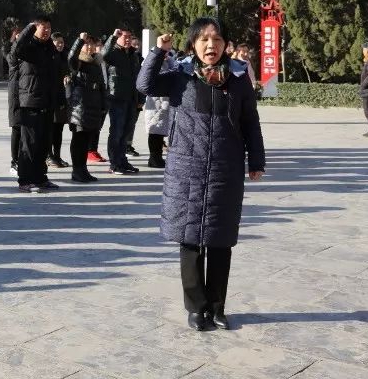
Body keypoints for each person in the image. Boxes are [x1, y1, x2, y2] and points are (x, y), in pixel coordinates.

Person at [137, 17, 265, 332]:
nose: (211, 45)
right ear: (193, 44)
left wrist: (256, 160)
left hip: (225, 168)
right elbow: (144, 85)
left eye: (217, 39)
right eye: (204, 39)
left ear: (226, 45)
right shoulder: (180, 76)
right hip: (187, 170)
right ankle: (196, 308)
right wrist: (157, 52)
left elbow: (250, 121)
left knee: (221, 242)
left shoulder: (237, 79)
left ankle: (218, 308)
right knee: (191, 240)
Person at [10, 16, 60, 193]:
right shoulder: (27, 46)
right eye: (42, 27)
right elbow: (15, 50)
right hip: (30, 101)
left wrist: (58, 99)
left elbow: (55, 74)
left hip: (47, 102)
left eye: (48, 27)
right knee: (29, 144)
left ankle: (40, 177)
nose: (46, 30)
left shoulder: (49, 48)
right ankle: (25, 180)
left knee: (43, 144)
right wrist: (29, 28)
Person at [66, 33, 107, 183]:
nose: (89, 47)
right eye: (86, 44)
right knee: (79, 140)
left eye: (91, 44)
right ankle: (77, 170)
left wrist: (103, 106)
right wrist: (79, 41)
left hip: (93, 107)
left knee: (86, 141)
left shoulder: (96, 63)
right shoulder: (78, 63)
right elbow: (70, 58)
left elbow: (102, 87)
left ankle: (83, 169)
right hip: (80, 108)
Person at [102, 28, 141, 175]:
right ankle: (114, 163)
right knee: (116, 132)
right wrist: (112, 37)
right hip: (117, 98)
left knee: (126, 132)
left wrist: (140, 98)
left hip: (131, 98)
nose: (127, 39)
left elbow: (138, 77)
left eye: (129, 37)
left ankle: (122, 160)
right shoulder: (113, 53)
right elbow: (103, 55)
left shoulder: (133, 55)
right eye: (124, 36)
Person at [144, 45, 175, 169]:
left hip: (165, 101)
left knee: (160, 130)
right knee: (155, 130)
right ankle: (154, 157)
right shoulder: (152, 62)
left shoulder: (169, 61)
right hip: (155, 101)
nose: (166, 54)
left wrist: (170, 60)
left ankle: (158, 157)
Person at [49, 33, 71, 168]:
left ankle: (57, 155)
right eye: (57, 42)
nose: (60, 44)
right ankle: (49, 156)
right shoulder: (48, 57)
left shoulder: (65, 57)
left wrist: (68, 75)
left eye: (62, 42)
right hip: (51, 98)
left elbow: (69, 71)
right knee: (50, 130)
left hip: (62, 98)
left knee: (59, 129)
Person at [4, 27, 22, 171]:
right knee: (17, 128)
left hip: (28, 94)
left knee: (26, 130)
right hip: (16, 95)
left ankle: (23, 159)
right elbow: (7, 51)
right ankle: (14, 161)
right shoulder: (12, 56)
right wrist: (13, 40)